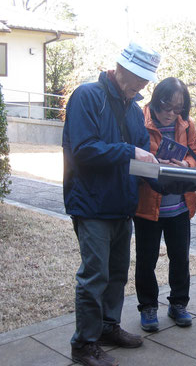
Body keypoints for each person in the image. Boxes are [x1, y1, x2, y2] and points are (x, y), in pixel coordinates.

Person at [63, 42, 161, 366]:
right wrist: (129, 151)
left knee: (117, 273)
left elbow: (143, 158)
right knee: (94, 276)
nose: (138, 87)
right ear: (119, 68)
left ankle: (108, 327)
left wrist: (175, 174)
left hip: (123, 205)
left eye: (144, 81)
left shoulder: (134, 111)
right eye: (135, 78)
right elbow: (84, 150)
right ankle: (84, 344)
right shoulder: (87, 96)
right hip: (91, 204)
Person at [133, 77, 196, 332]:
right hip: (147, 204)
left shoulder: (187, 124)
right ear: (156, 100)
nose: (172, 114)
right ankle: (148, 306)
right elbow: (131, 154)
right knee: (146, 259)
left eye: (178, 108)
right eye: (167, 107)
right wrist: (154, 163)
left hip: (179, 205)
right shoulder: (139, 119)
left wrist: (185, 165)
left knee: (180, 258)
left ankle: (179, 304)